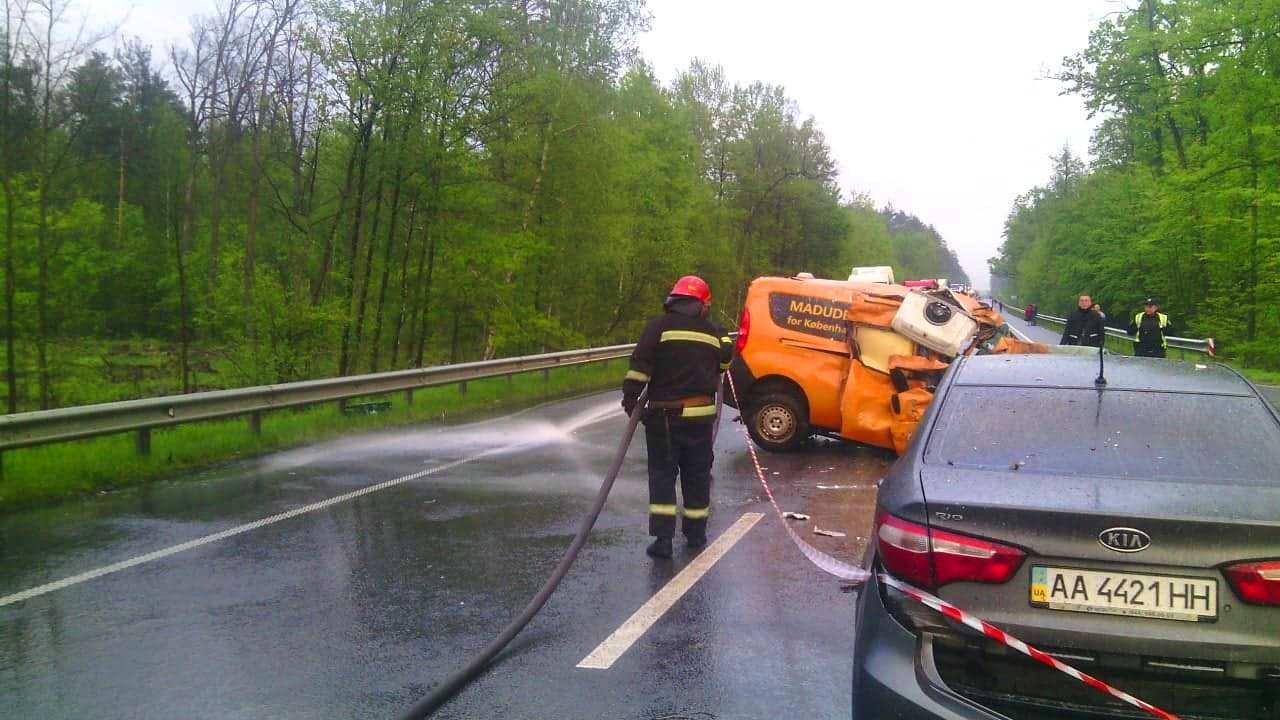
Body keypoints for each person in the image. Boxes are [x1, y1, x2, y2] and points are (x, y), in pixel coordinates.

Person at [621, 276, 733, 559]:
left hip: (664, 418)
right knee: (697, 477)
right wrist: (719, 333)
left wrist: (631, 399)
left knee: (662, 476)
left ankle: (662, 541)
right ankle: (695, 535)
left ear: (674, 300)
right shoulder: (712, 333)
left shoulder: (658, 327)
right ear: (702, 305)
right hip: (701, 419)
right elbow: (725, 360)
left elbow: (640, 366)